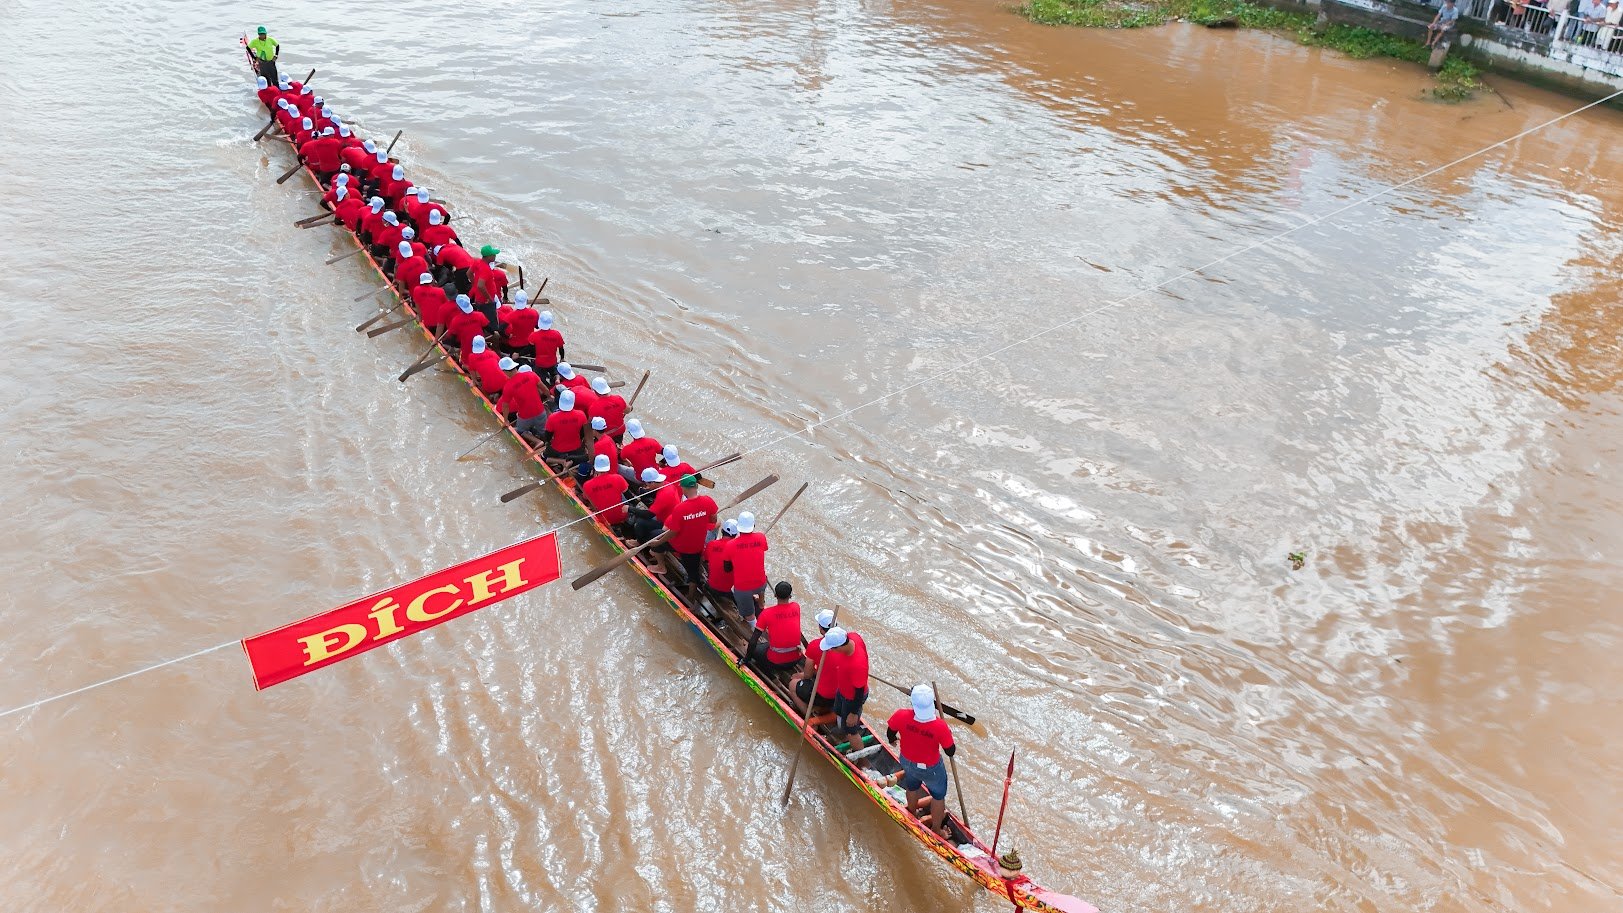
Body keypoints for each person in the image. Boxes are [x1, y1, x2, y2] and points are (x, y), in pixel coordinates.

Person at [886, 685, 957, 839]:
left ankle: (912, 812)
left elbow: (890, 732)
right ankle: (937, 830)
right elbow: (950, 751)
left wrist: (893, 740)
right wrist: (947, 733)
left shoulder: (901, 715)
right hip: (931, 768)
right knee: (938, 796)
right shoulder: (940, 726)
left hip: (908, 762)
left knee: (912, 786)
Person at [821, 626, 869, 738]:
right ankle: (841, 730)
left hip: (852, 699)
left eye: (832, 648)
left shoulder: (857, 665)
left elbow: (859, 692)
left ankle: (858, 751)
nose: (830, 650)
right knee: (838, 711)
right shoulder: (853, 636)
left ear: (839, 647)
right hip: (842, 689)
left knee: (851, 731)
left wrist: (853, 713)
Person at [750, 581, 805, 674]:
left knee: (755, 650)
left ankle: (769, 673)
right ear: (790, 596)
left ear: (775, 595)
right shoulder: (796, 607)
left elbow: (753, 640)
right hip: (796, 660)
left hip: (776, 662)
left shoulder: (767, 613)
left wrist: (746, 658)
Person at [727, 510, 769, 625]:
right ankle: (761, 604)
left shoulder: (730, 545)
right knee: (761, 588)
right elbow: (763, 549)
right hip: (761, 583)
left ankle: (753, 627)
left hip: (743, 587)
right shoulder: (761, 537)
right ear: (753, 525)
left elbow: (727, 568)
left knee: (749, 614)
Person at [582, 454, 633, 534]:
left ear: (595, 467)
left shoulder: (587, 484)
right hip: (622, 516)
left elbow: (585, 498)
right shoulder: (618, 478)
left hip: (604, 520)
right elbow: (629, 495)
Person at [541, 388, 589, 464]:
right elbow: (583, 433)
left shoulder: (553, 417)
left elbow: (547, 436)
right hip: (576, 448)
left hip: (557, 449)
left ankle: (562, 461)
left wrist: (547, 443)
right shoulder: (581, 415)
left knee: (543, 457)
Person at [498, 363, 547, 437]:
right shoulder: (531, 374)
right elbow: (544, 388)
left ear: (505, 371)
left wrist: (505, 421)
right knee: (543, 432)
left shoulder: (508, 386)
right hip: (540, 412)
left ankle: (535, 440)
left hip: (525, 416)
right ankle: (544, 440)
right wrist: (549, 397)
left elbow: (505, 406)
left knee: (520, 432)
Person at [703, 519, 738, 608]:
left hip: (711, 584)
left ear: (722, 531)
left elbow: (705, 560)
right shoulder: (738, 551)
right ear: (735, 535)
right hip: (725, 590)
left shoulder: (711, 544)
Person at [446, 297, 489, 361]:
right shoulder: (480, 315)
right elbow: (489, 329)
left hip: (466, 349)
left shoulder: (455, 320)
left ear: (458, 307)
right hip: (481, 345)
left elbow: (453, 337)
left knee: (464, 363)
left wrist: (452, 347)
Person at [588, 376, 628, 442]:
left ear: (595, 391)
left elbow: (589, 424)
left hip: (605, 435)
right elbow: (627, 410)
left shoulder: (594, 407)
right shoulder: (618, 399)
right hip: (619, 431)